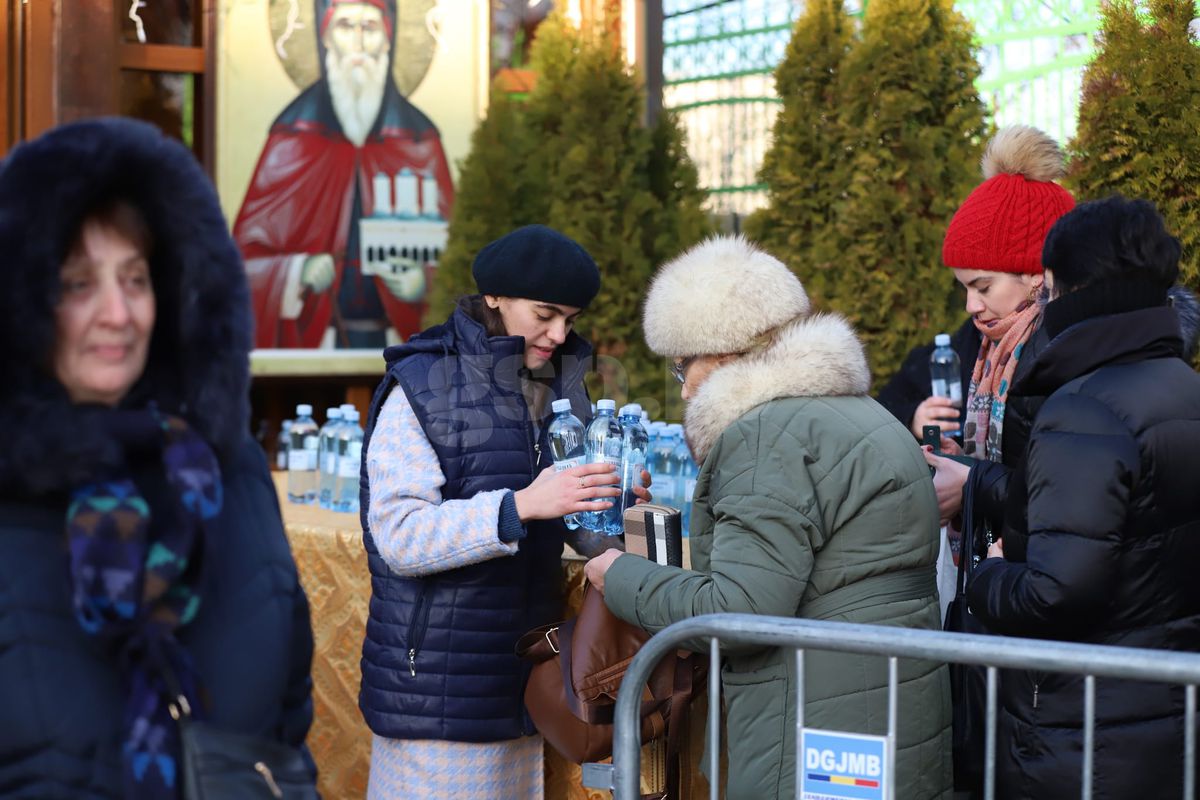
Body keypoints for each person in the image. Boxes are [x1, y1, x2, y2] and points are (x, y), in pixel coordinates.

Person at [0, 118, 315, 798]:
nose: (118, 312)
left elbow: (286, 729)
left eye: (136, 279)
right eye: (78, 284)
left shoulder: (230, 473)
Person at [585, 235, 952, 800]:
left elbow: (740, 610)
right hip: (889, 707)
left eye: (684, 367)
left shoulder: (763, 436)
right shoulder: (863, 412)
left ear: (724, 352)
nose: (684, 390)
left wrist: (620, 578)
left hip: (815, 725)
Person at [359, 225, 648, 799]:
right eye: (545, 314)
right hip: (436, 694)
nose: (559, 333)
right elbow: (398, 535)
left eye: (570, 317)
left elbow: (572, 521)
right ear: (494, 296)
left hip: (526, 677)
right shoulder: (422, 382)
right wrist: (519, 507)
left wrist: (607, 501)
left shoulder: (558, 385)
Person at [966, 196, 1200, 797]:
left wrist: (987, 579)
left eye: (1048, 290)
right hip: (1163, 718)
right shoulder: (1180, 385)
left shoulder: (1084, 407)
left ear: (1074, 289)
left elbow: (1056, 591)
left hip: (1083, 734)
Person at [234, 0, 455, 349]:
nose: (357, 41)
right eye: (344, 26)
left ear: (388, 38)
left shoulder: (417, 140)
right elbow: (242, 262)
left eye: (369, 28)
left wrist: (425, 282)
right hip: (316, 342)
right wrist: (297, 270)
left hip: (406, 344)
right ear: (324, 37)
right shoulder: (293, 136)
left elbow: (459, 250)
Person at [877, 316, 980, 441]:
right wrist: (912, 418)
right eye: (970, 294)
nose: (972, 306)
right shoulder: (971, 335)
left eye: (985, 294)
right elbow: (884, 406)